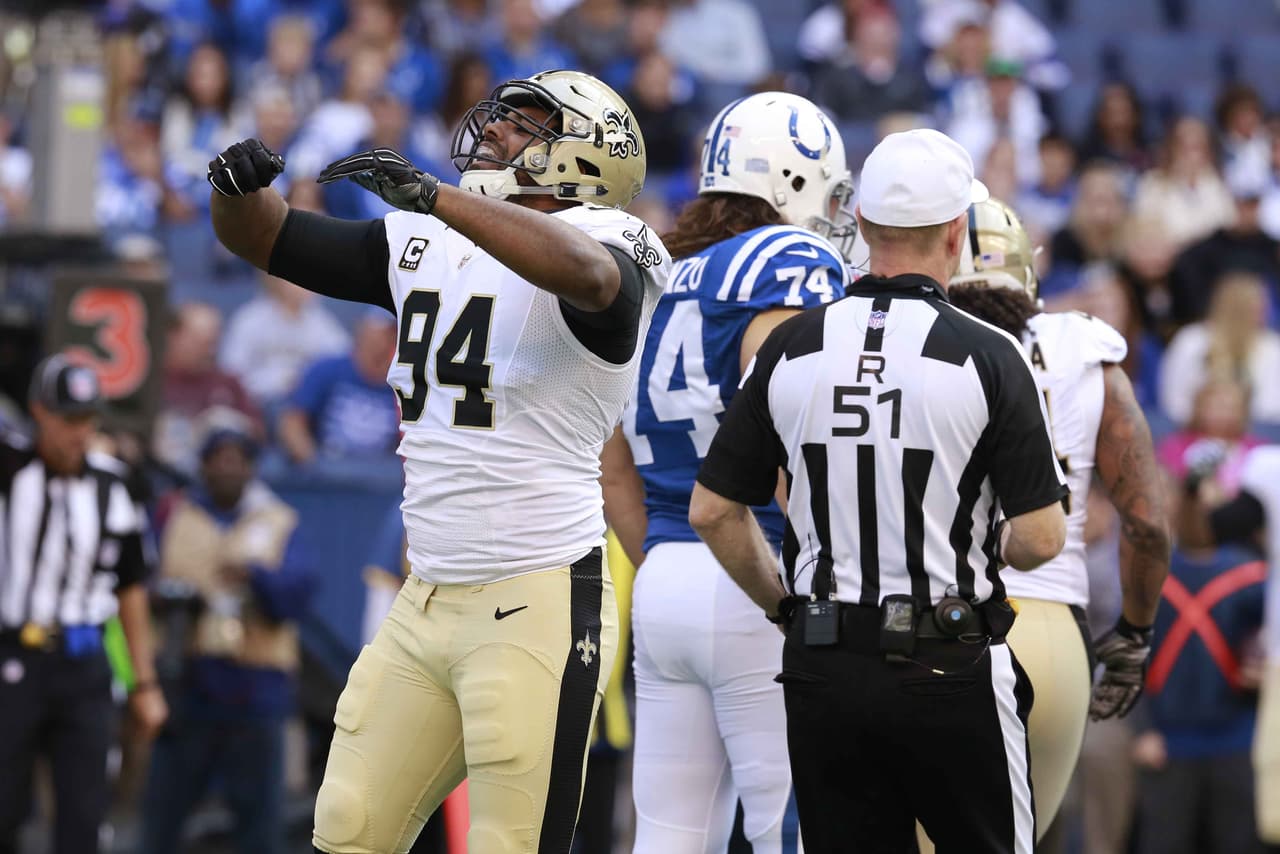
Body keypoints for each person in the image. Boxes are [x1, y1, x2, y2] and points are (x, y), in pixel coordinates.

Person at [205, 68, 671, 853]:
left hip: (539, 594)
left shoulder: (614, 238)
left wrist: (437, 198)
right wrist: (235, 191)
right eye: (502, 115)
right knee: (348, 828)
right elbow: (270, 237)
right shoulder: (426, 240)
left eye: (525, 125)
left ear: (587, 158)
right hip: (425, 599)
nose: (493, 129)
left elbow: (588, 278)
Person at [688, 128, 1068, 852]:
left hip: (823, 661)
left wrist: (786, 608)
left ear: (858, 224)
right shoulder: (989, 354)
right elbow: (1043, 540)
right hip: (949, 656)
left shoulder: (792, 344)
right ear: (956, 231)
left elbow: (713, 510)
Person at [600, 90, 853, 853]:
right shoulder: (791, 259)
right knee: (789, 829)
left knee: (670, 836)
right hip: (756, 571)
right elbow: (781, 417)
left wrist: (667, 557)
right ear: (792, 179)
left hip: (667, 575)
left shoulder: (660, 273)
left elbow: (609, 464)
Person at [942, 196, 1172, 841]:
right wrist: (1134, 631)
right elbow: (1149, 521)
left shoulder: (910, 344)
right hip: (1053, 634)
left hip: (937, 624)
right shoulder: (1079, 346)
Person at [0, 354, 168, 854]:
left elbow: (131, 587)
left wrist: (144, 683)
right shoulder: (11, 469)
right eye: (67, 419)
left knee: (85, 814)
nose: (78, 432)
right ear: (39, 412)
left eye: (87, 419)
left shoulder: (113, 485)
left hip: (84, 664)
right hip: (14, 657)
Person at [140, 424, 314, 854]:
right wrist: (170, 599)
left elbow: (301, 591)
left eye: (237, 461)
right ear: (202, 466)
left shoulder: (279, 519)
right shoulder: (175, 514)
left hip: (256, 688)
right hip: (189, 682)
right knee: (162, 817)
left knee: (260, 826)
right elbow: (138, 581)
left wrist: (255, 577)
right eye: (218, 460)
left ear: (252, 469)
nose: (227, 469)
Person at [1179, 443, 1280, 845]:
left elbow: (1209, 532)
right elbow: (1209, 534)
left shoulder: (1268, 465)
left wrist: (1199, 491)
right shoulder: (1268, 466)